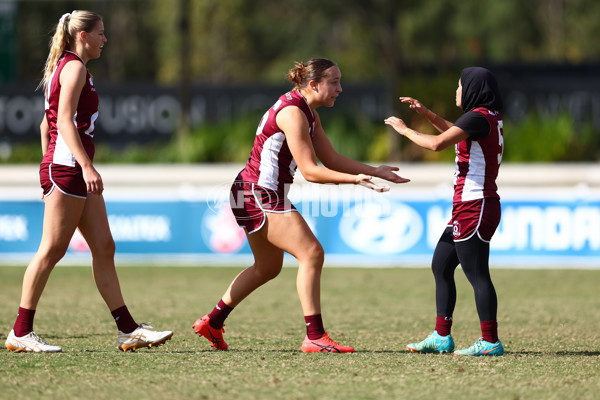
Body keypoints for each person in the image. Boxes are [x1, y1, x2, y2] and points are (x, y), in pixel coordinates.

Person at [193, 58, 410, 353]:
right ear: (313, 84)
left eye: (339, 81)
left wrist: (374, 170)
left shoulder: (306, 111)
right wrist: (355, 180)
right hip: (258, 192)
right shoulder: (294, 113)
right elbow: (310, 171)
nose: (340, 88)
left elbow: (331, 160)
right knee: (312, 252)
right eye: (333, 82)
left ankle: (213, 322)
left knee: (267, 267)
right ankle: (315, 336)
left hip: (251, 190)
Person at [5, 10, 173, 353]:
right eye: (100, 33)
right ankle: (20, 332)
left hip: (67, 169)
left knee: (104, 247)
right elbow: (63, 122)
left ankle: (128, 330)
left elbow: (44, 126)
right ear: (83, 36)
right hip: (70, 169)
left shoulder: (68, 67)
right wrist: (82, 166)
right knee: (51, 250)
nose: (105, 39)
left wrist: (49, 167)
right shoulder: (74, 67)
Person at [384, 67, 505, 356]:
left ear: (473, 89)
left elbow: (438, 144)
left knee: (477, 275)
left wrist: (404, 130)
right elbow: (456, 133)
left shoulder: (477, 117)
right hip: (468, 206)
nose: (456, 91)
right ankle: (441, 337)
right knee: (441, 264)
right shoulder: (484, 117)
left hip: (476, 205)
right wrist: (427, 113)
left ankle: (490, 341)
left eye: (460, 85)